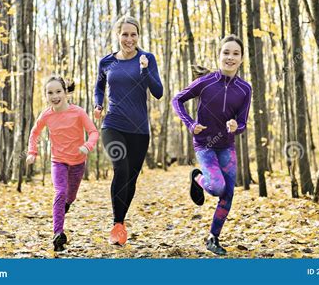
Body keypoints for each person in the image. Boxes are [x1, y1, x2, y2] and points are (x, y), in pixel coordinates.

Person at [171, 35, 251, 255]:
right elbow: (177, 99)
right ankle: (198, 177)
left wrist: (237, 126)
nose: (230, 57)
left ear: (242, 59)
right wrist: (190, 123)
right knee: (216, 187)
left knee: (228, 194)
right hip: (205, 144)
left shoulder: (245, 89)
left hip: (226, 145)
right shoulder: (205, 82)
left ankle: (213, 237)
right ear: (219, 55)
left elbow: (243, 122)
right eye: (226, 52)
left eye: (235, 53)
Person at [94, 15, 163, 246]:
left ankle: (121, 223)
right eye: (124, 34)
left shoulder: (147, 58)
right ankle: (116, 224)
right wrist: (98, 103)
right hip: (113, 124)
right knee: (120, 169)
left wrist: (145, 71)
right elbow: (99, 86)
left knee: (131, 179)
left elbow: (158, 92)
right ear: (117, 35)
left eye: (133, 34)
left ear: (138, 36)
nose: (129, 39)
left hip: (140, 129)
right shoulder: (106, 62)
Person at [26, 76, 99, 251]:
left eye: (58, 91)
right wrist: (31, 152)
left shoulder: (78, 112)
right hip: (58, 161)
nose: (54, 96)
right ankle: (58, 234)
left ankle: (66, 205)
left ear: (66, 93)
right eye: (50, 92)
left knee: (70, 196)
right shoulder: (46, 115)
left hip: (78, 161)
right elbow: (34, 133)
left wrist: (88, 146)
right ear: (46, 95)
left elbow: (93, 132)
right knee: (60, 192)